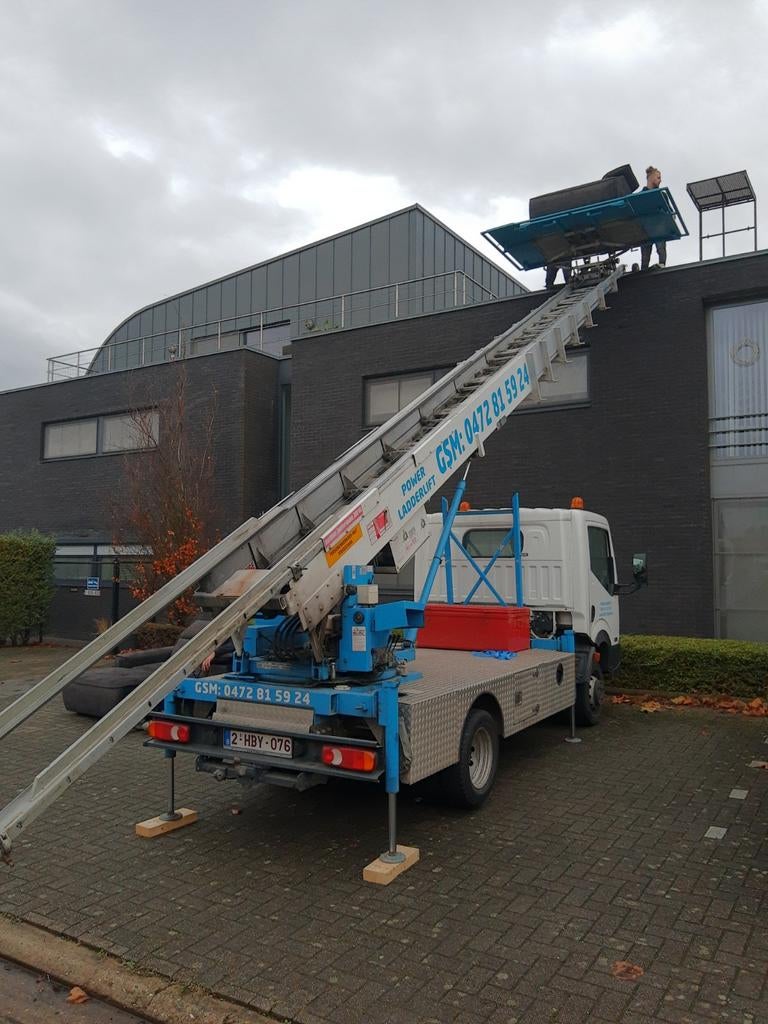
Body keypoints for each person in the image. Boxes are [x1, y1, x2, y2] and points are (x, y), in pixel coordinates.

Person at [640, 166, 666, 271]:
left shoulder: (662, 194)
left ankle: (662, 265)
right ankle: (643, 271)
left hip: (658, 227)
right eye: (658, 177)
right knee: (645, 256)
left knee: (661, 248)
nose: (660, 180)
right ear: (650, 177)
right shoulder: (640, 195)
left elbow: (667, 212)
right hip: (646, 228)